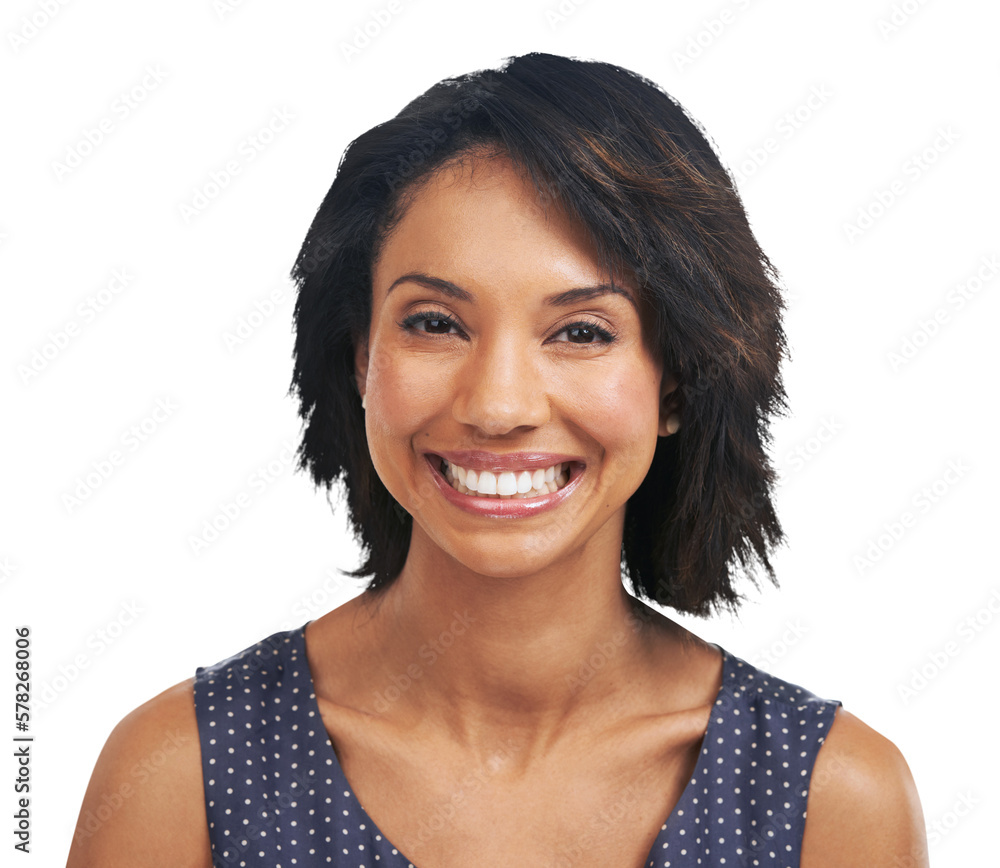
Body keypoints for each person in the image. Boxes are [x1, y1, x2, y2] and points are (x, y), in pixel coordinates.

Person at [67, 52, 927, 867]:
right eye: (435, 323)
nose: (499, 406)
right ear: (360, 356)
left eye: (582, 332)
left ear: (676, 384)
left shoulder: (830, 800)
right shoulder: (179, 777)